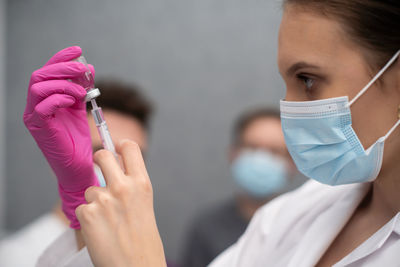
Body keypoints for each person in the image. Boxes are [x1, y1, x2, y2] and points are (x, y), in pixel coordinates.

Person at [24, 0, 400, 265]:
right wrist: (81, 198)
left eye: (308, 79)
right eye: (287, 81)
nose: (291, 107)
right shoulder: (291, 216)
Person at [0, 80, 153, 266]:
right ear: (60, 159)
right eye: (101, 149)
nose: (118, 167)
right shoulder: (15, 257)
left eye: (131, 154)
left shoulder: (145, 250)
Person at [182, 108, 295, 266]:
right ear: (233, 153)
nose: (261, 159)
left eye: (274, 151)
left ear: (293, 163)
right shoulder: (207, 227)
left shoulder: (302, 225)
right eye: (252, 147)